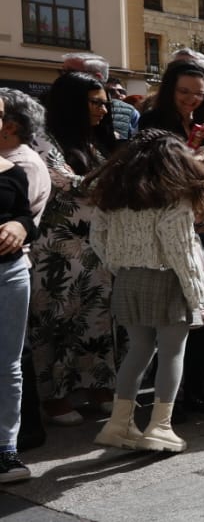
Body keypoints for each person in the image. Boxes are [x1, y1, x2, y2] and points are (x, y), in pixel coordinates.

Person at [86, 132, 204, 452]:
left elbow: (97, 237)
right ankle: (160, 427)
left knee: (138, 350)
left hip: (128, 280)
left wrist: (119, 266)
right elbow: (181, 250)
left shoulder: (115, 195)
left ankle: (118, 424)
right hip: (167, 280)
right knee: (172, 352)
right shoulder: (174, 197)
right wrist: (199, 297)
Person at [140, 58, 204, 414]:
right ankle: (172, 394)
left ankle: (199, 383)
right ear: (169, 90)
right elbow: (160, 177)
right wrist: (200, 154)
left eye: (198, 93)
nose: (191, 100)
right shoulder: (152, 124)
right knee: (177, 306)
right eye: (183, 92)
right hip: (174, 224)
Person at [32, 72, 119, 424]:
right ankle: (56, 398)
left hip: (95, 248)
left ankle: (99, 387)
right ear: (71, 103)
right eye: (96, 102)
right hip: (57, 250)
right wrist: (120, 175)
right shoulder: (42, 137)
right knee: (57, 323)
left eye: (105, 102)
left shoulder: (92, 141)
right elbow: (70, 183)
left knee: (97, 321)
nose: (104, 108)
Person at [0, 91, 42, 482]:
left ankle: (6, 450)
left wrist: (18, 225)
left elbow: (25, 216)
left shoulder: (11, 170)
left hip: (10, 272)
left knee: (9, 364)